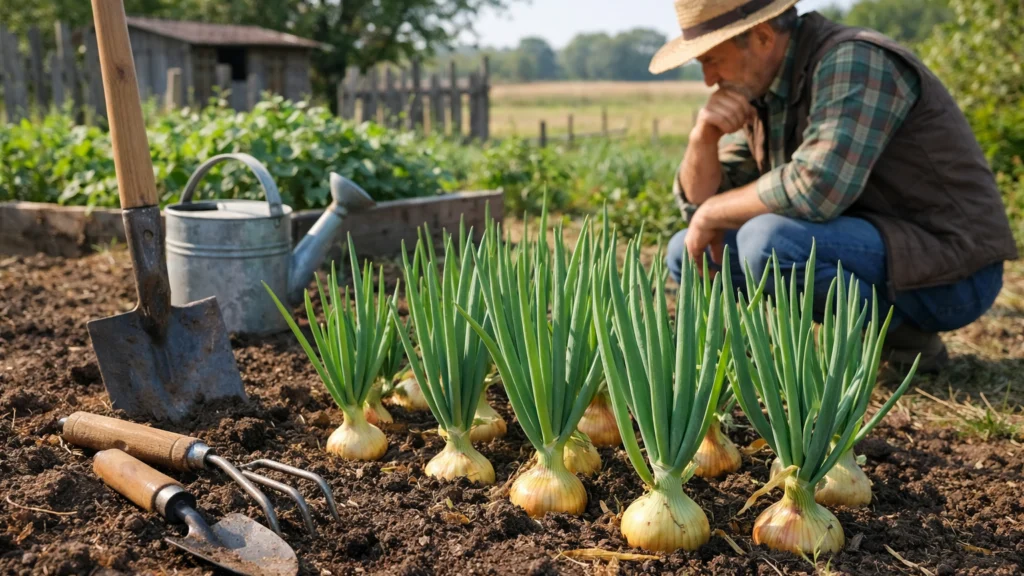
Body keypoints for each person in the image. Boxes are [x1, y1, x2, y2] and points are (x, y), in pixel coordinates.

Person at [655, 0, 1018, 372]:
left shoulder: (855, 60)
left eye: (712, 59)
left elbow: (817, 190)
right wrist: (703, 138)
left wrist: (711, 212)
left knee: (768, 243)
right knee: (687, 251)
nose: (708, 80)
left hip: (951, 270)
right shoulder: (761, 87)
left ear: (762, 37)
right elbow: (700, 210)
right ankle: (778, 355)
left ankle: (904, 340)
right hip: (869, 246)